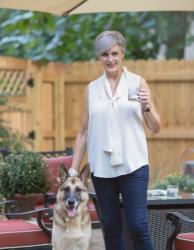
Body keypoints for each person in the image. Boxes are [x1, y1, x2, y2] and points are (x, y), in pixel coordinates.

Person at [69, 30, 160, 250]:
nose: (110, 59)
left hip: (134, 165)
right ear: (99, 58)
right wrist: (73, 170)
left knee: (138, 226)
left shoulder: (137, 83)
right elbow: (83, 131)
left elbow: (155, 127)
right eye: (104, 54)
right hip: (102, 169)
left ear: (123, 54)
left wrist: (146, 105)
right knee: (110, 229)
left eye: (114, 53)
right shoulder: (92, 89)